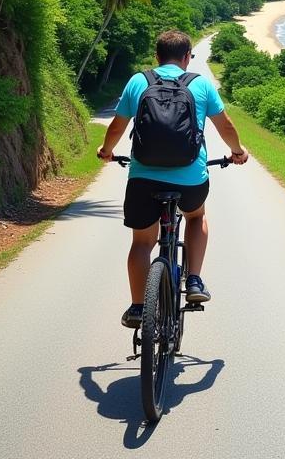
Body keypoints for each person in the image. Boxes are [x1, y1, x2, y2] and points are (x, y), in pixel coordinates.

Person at [97, 29, 248, 328]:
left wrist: (106, 150)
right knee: (196, 217)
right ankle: (193, 280)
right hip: (190, 179)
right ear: (187, 57)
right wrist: (237, 152)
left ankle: (139, 307)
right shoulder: (200, 84)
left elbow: (116, 127)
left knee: (142, 243)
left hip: (143, 180)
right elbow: (225, 126)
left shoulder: (139, 81)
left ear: (157, 56)